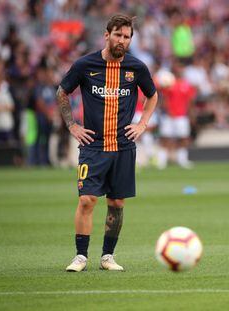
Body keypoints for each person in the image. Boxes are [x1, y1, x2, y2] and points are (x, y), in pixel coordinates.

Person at [56, 14, 158, 272]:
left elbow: (152, 95)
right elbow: (62, 92)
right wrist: (72, 125)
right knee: (87, 200)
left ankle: (107, 256)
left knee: (117, 204)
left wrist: (142, 124)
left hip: (123, 147)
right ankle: (80, 256)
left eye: (127, 36)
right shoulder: (85, 65)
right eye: (118, 35)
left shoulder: (136, 68)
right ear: (106, 35)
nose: (122, 40)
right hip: (93, 146)